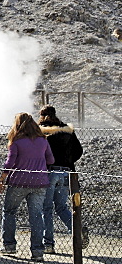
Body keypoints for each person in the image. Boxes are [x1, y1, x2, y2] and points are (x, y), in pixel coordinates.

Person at [0, 112, 54, 261]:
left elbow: (9, 163)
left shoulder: (16, 141)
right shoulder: (43, 140)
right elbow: (50, 159)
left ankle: (9, 245)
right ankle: (37, 251)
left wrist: (2, 179)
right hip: (40, 182)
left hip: (19, 182)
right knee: (36, 216)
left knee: (9, 211)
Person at [38, 105, 86, 253]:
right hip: (66, 172)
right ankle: (77, 231)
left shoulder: (40, 131)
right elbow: (79, 150)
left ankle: (48, 244)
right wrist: (67, 161)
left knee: (47, 208)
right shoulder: (66, 130)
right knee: (61, 207)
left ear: (41, 115)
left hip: (49, 172)